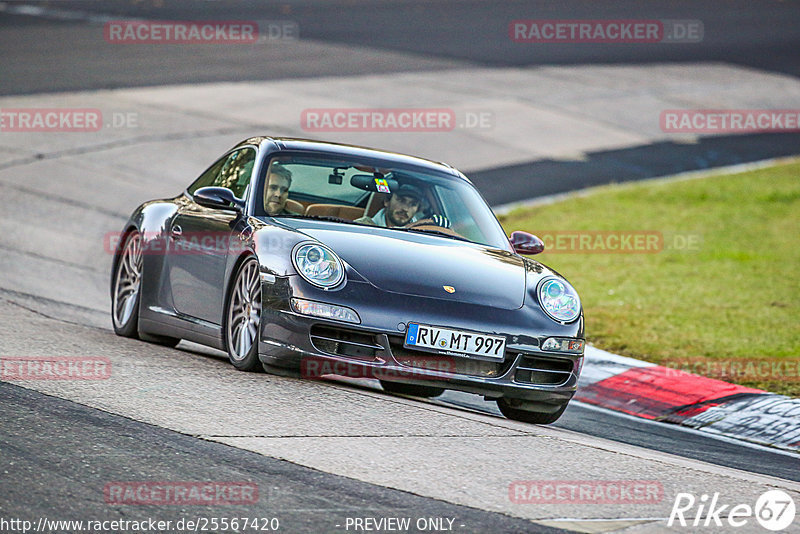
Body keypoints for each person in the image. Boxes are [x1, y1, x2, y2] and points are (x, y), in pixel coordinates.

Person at [355, 184, 425, 227]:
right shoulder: (361, 227)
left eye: (413, 204)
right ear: (387, 201)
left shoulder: (421, 234)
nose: (405, 209)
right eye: (401, 200)